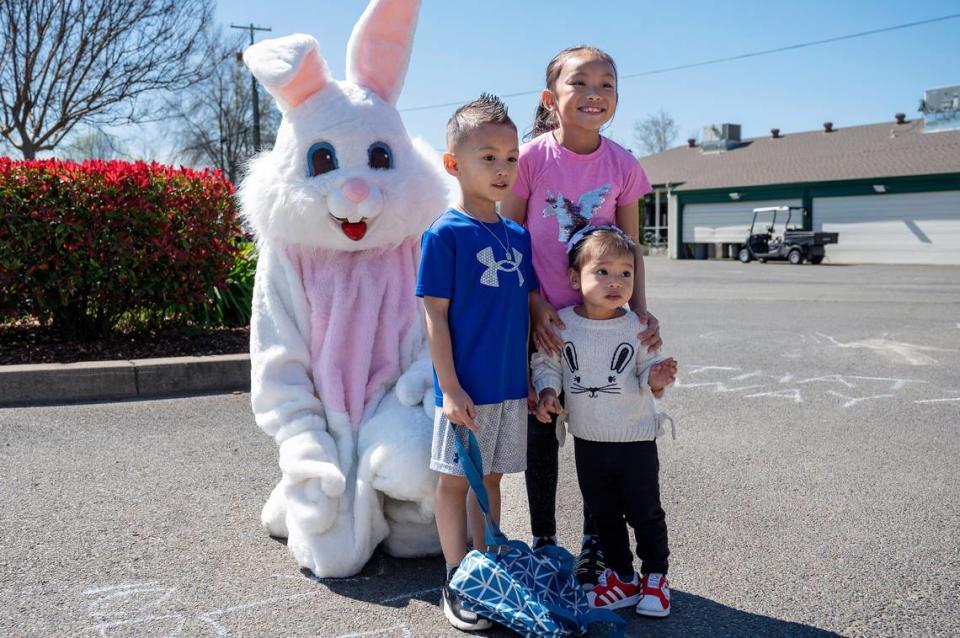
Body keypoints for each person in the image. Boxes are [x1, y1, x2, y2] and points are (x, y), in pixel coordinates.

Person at [501, 44, 661, 589]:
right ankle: (545, 537)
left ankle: (598, 541)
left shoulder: (624, 165)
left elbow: (633, 249)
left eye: (607, 84)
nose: (595, 94)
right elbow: (510, 240)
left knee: (602, 438)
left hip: (601, 328)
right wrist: (534, 303)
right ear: (551, 99)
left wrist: (639, 316)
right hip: (543, 324)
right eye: (580, 83)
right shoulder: (530, 160)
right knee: (543, 428)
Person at [416, 94, 538, 632]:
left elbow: (529, 310)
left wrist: (537, 377)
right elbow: (434, 319)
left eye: (511, 157)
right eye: (487, 157)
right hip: (465, 392)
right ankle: (455, 574)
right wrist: (449, 388)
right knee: (454, 482)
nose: (503, 168)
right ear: (453, 164)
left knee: (490, 481)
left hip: (510, 388)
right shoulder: (443, 234)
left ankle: (487, 568)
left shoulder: (519, 235)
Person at [532, 226, 677, 617]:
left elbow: (647, 368)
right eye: (603, 272)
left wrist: (657, 379)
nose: (616, 282)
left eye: (625, 273)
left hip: (635, 439)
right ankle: (622, 578)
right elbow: (547, 364)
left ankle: (656, 578)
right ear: (573, 278)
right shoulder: (562, 323)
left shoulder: (636, 325)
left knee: (645, 511)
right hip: (589, 439)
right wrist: (547, 391)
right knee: (603, 512)